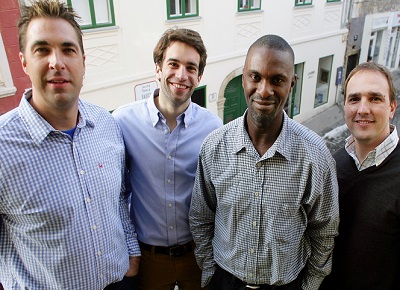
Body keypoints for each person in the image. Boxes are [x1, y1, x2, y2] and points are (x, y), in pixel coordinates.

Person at [0, 1, 140, 289]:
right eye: (42, 50)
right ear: (24, 61)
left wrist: (131, 251)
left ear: (83, 62)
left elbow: (118, 197)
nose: (57, 62)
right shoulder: (3, 146)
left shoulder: (106, 123)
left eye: (67, 49)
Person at [189, 34, 339, 290]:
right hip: (225, 281)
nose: (264, 90)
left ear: (291, 83)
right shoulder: (214, 147)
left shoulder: (315, 155)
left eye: (277, 80)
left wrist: (310, 286)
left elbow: (324, 231)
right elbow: (201, 217)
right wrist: (210, 273)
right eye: (255, 77)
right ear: (244, 78)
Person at [113, 28, 222, 290]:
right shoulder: (123, 121)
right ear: (158, 69)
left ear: (199, 76)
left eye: (191, 67)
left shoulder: (213, 127)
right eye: (173, 64)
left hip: (196, 256)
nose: (181, 75)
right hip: (148, 259)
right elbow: (117, 192)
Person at [320, 62, 400, 290]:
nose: (362, 109)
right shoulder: (332, 165)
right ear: (344, 106)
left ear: (392, 107)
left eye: (375, 98)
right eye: (354, 99)